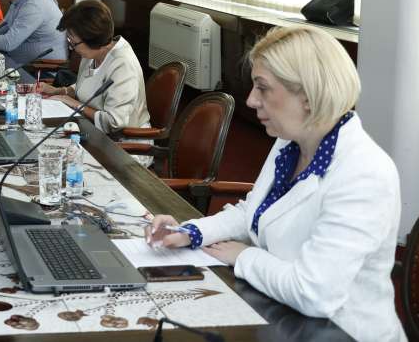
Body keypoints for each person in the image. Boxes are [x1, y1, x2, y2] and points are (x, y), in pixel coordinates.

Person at [146, 25, 403, 342]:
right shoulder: (290, 141)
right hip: (279, 313)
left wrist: (243, 256)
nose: (251, 100)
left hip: (339, 331)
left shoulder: (364, 173)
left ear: (307, 95)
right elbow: (253, 211)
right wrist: (191, 232)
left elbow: (314, 293)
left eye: (263, 88)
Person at [39, 0, 149, 132]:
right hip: (88, 128)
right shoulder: (92, 52)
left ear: (92, 39)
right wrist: (59, 91)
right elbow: (86, 87)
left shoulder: (123, 65)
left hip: (120, 141)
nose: (71, 47)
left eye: (73, 42)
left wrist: (74, 104)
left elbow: (113, 123)